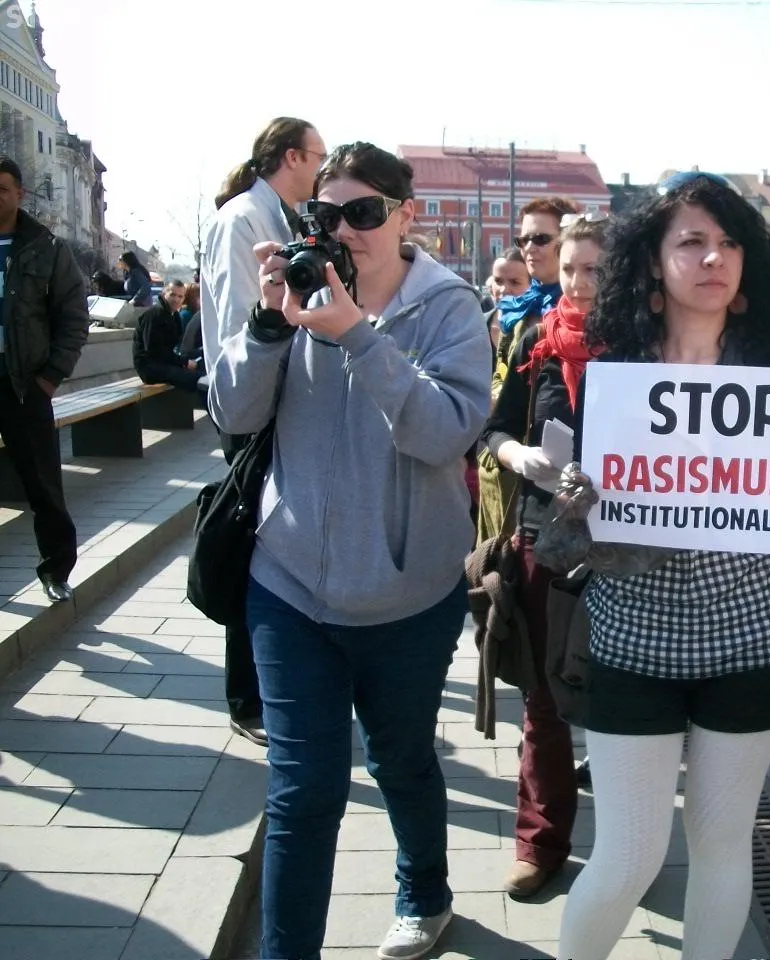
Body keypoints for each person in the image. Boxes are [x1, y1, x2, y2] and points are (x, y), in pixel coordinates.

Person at [555, 172, 770, 960]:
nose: (713, 257)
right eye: (691, 241)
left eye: (728, 242)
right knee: (628, 856)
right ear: (653, 264)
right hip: (632, 641)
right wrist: (571, 497)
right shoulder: (615, 380)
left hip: (752, 641)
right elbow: (585, 527)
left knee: (724, 843)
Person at [207, 142, 491, 960]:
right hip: (289, 585)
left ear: (406, 216)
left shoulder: (448, 308)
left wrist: (359, 336)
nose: (343, 230)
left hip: (409, 595)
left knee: (402, 761)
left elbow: (444, 433)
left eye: (363, 213)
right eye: (324, 214)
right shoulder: (300, 293)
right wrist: (268, 324)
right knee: (303, 793)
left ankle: (425, 893)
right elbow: (231, 414)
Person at [479, 214, 606, 898]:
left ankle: (627, 847)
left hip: (626, 544)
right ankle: (540, 841)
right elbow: (495, 427)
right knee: (544, 699)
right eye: (572, 268)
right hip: (543, 535)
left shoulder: (650, 345)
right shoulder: (536, 338)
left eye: (595, 270)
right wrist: (518, 456)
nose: (579, 284)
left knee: (623, 700)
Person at [200, 116, 326, 748]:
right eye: (318, 157)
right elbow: (236, 323)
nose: (322, 170)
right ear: (292, 157)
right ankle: (247, 697)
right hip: (255, 403)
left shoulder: (284, 217)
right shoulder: (243, 220)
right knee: (252, 541)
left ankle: (278, 681)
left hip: (282, 398)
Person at [0, 155, 89, 603]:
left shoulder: (47, 248)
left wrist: (50, 377)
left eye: (2, 190)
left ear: (19, 194)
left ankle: (56, 570)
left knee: (43, 485)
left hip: (24, 383)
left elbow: (74, 317)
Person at [475, 197, 578, 547]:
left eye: (541, 239)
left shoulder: (578, 314)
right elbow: (502, 371)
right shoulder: (518, 308)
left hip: (552, 486)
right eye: (524, 239)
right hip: (504, 460)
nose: (529, 248)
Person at [133, 280, 202, 393]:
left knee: (202, 359)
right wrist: (184, 362)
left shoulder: (174, 316)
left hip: (163, 363)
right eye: (172, 295)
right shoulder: (154, 315)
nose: (176, 300)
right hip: (149, 368)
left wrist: (183, 361)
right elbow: (155, 351)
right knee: (196, 378)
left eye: (180, 296)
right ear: (164, 294)